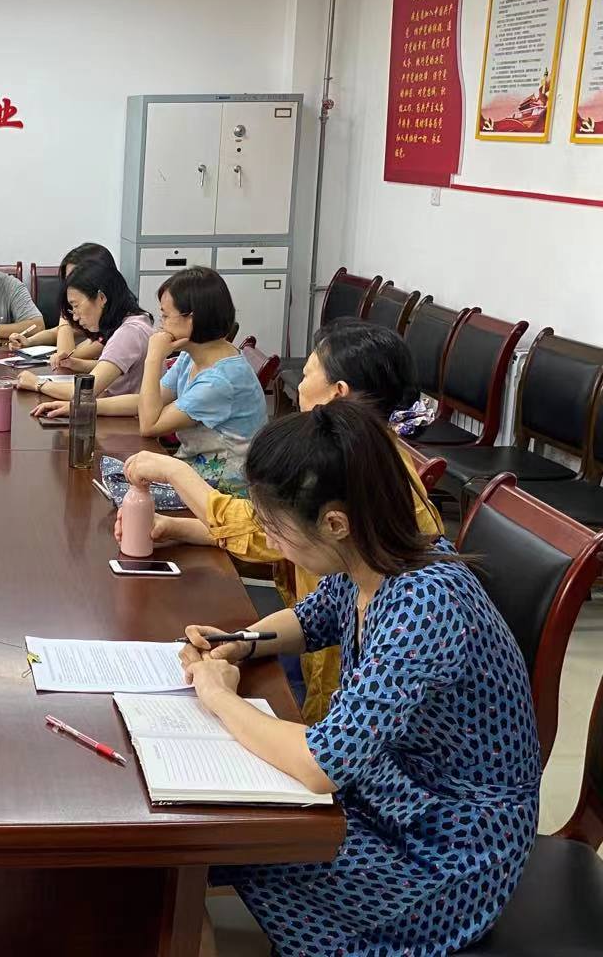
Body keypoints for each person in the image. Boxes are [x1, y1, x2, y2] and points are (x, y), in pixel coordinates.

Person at [179, 401, 538, 957]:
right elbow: (311, 618)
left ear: (334, 523)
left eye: (274, 526)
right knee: (208, 839)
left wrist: (218, 696)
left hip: (449, 853)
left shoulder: (425, 606)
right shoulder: (371, 558)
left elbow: (322, 764)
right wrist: (242, 642)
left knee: (215, 844)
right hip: (394, 797)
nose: (271, 539)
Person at [120, 318, 443, 722]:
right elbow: (312, 604)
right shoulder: (357, 473)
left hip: (344, 701)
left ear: (338, 395)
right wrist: (242, 641)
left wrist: (217, 695)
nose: (298, 387)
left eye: (306, 376)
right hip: (321, 665)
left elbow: (329, 751)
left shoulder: (412, 601)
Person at [129, 266, 265, 495]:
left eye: (165, 316)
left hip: (223, 491)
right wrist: (86, 404)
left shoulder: (219, 381)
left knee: (128, 491)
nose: (161, 325)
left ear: (192, 319)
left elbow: (149, 425)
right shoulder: (192, 356)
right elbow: (148, 401)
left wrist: (153, 358)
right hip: (193, 471)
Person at [15, 260, 154, 411]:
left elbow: (83, 393)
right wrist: (75, 364)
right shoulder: (138, 319)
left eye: (76, 306)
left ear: (101, 298)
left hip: (128, 421)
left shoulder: (128, 333)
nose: (75, 317)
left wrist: (37, 383)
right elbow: (116, 368)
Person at [5, 242, 116, 370]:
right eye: (67, 279)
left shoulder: (115, 324)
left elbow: (66, 357)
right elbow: (58, 331)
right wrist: (28, 341)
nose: (68, 286)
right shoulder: (97, 312)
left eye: (75, 278)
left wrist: (65, 313)